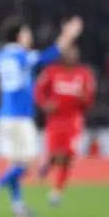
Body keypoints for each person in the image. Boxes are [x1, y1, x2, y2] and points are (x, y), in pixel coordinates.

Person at [0, 16, 83, 217]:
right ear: (19, 36)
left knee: (16, 164)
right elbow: (49, 55)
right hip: (20, 116)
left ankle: (18, 207)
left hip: (4, 116)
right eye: (27, 33)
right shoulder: (21, 55)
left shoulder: (0, 56)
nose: (30, 36)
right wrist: (67, 35)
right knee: (27, 163)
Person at [34, 44, 95, 206]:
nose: (72, 56)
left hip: (74, 122)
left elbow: (89, 100)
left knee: (68, 157)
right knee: (55, 155)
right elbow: (38, 90)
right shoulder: (52, 71)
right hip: (55, 121)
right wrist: (44, 104)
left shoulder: (84, 74)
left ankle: (57, 192)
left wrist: (84, 99)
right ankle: (48, 162)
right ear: (62, 55)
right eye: (68, 53)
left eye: (74, 53)